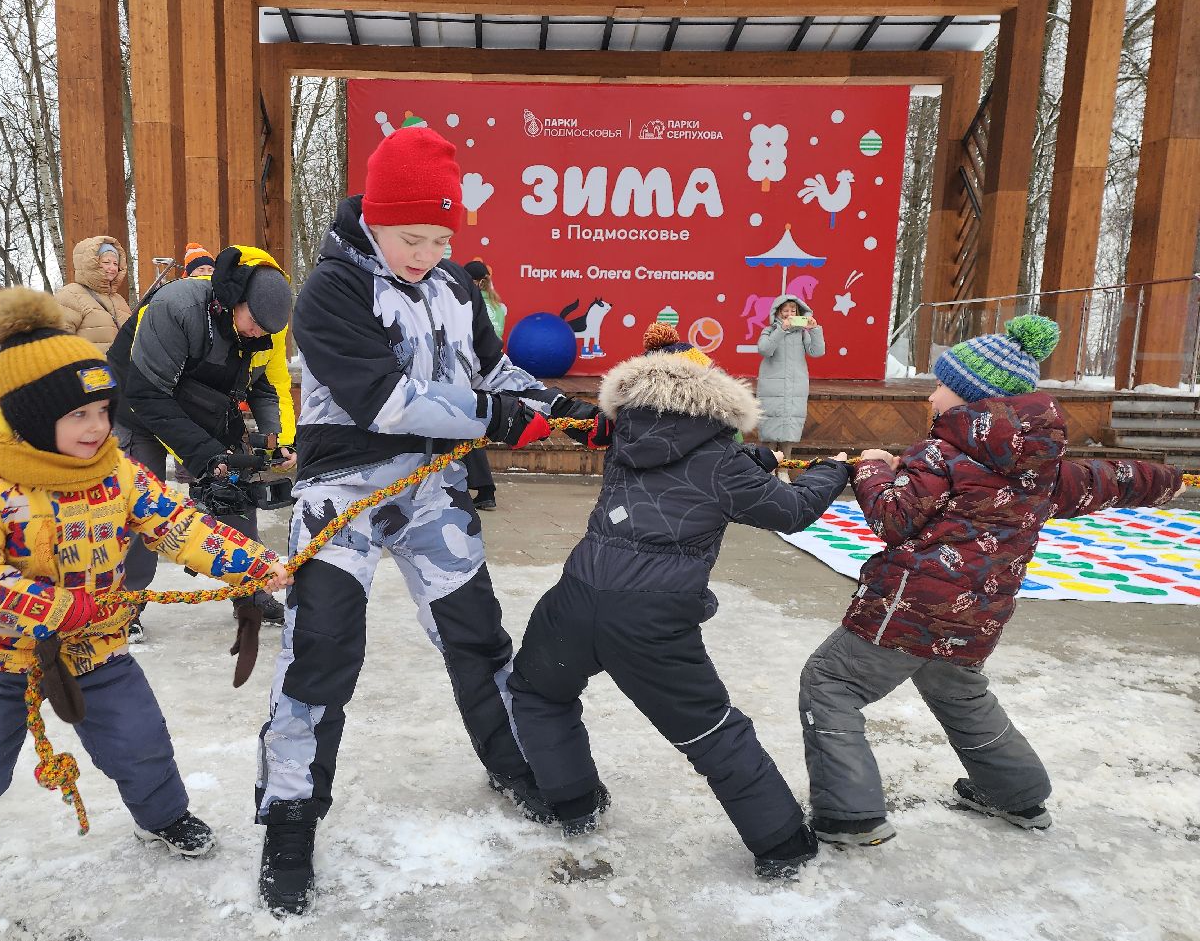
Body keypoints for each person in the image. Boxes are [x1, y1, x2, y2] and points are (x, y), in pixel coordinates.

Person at [253, 126, 599, 914]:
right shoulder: (333, 289)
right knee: (323, 652)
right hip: (344, 492)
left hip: (432, 490)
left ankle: (515, 764)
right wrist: (499, 417)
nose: (427, 252)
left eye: (442, 236)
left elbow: (495, 368)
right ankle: (291, 818)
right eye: (414, 237)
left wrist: (569, 411)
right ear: (375, 218)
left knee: (477, 634)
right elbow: (388, 400)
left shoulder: (454, 286)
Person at [0, 288, 291, 941]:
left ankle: (164, 816)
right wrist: (48, 607)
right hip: (0, 662)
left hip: (98, 650)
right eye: (79, 415)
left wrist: (249, 564)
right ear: (32, 417)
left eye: (104, 411)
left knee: (140, 741)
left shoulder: (116, 475)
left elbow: (177, 524)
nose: (97, 428)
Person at [799, 316, 1184, 848]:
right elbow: (1110, 477)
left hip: (909, 609)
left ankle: (849, 815)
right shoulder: (1042, 469)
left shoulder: (940, 455)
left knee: (830, 684)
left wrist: (871, 468)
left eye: (938, 385)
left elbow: (893, 517)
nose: (930, 396)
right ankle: (1018, 796)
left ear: (966, 397)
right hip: (977, 614)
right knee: (959, 693)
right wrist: (1170, 480)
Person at [507, 324, 852, 880]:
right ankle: (782, 842)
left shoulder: (625, 435)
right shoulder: (723, 460)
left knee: (539, 692)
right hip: (651, 616)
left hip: (577, 594)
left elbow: (679, 461)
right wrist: (833, 470)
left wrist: (752, 463)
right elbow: (788, 511)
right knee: (710, 731)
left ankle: (571, 802)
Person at [109, 244, 296, 645]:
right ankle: (124, 604)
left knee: (234, 493)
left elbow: (261, 386)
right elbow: (147, 394)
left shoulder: (258, 332)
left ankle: (252, 590)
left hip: (200, 404)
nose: (259, 333)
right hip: (138, 405)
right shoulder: (178, 306)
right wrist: (205, 454)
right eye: (255, 323)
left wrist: (271, 438)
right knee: (142, 504)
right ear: (234, 300)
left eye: (268, 330)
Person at [756, 293, 823, 463]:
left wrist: (814, 330)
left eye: (793, 310)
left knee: (789, 432)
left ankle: (785, 468)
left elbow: (817, 352)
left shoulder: (802, 333)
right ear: (777, 312)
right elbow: (765, 349)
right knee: (769, 431)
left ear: (799, 313)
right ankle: (768, 468)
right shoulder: (769, 330)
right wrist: (781, 330)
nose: (789, 313)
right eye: (785, 310)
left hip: (795, 387)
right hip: (772, 388)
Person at [461, 259, 507, 510]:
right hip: (490, 370)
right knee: (472, 426)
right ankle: (481, 487)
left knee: (466, 428)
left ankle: (484, 488)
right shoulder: (499, 306)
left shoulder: (467, 302)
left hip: (470, 370)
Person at [55, 236, 132, 356]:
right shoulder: (70, 295)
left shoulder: (119, 300)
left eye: (115, 263)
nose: (112, 268)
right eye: (106, 262)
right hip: (87, 371)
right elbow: (58, 343)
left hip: (119, 373)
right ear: (92, 263)